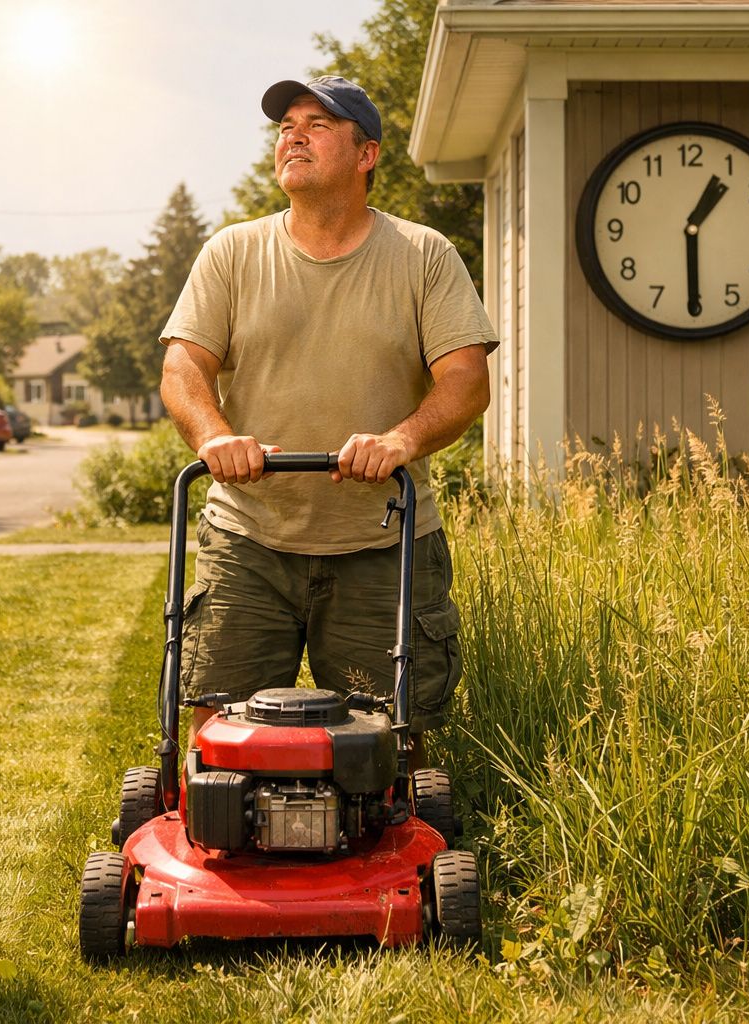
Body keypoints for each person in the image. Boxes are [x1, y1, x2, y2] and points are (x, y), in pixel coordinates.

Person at [158, 75, 498, 766]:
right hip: (249, 536)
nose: (293, 134)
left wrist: (401, 439)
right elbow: (183, 370)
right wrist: (214, 436)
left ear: (367, 153)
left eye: (317, 123)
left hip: (384, 540)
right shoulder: (232, 252)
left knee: (393, 748)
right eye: (286, 124)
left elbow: (466, 383)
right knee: (219, 734)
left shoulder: (423, 255)